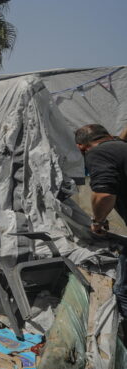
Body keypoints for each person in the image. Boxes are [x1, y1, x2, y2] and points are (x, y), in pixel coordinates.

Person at [74, 124, 127, 325]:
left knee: (122, 291)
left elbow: (104, 194)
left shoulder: (98, 153)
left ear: (81, 147)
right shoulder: (120, 147)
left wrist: (98, 221)